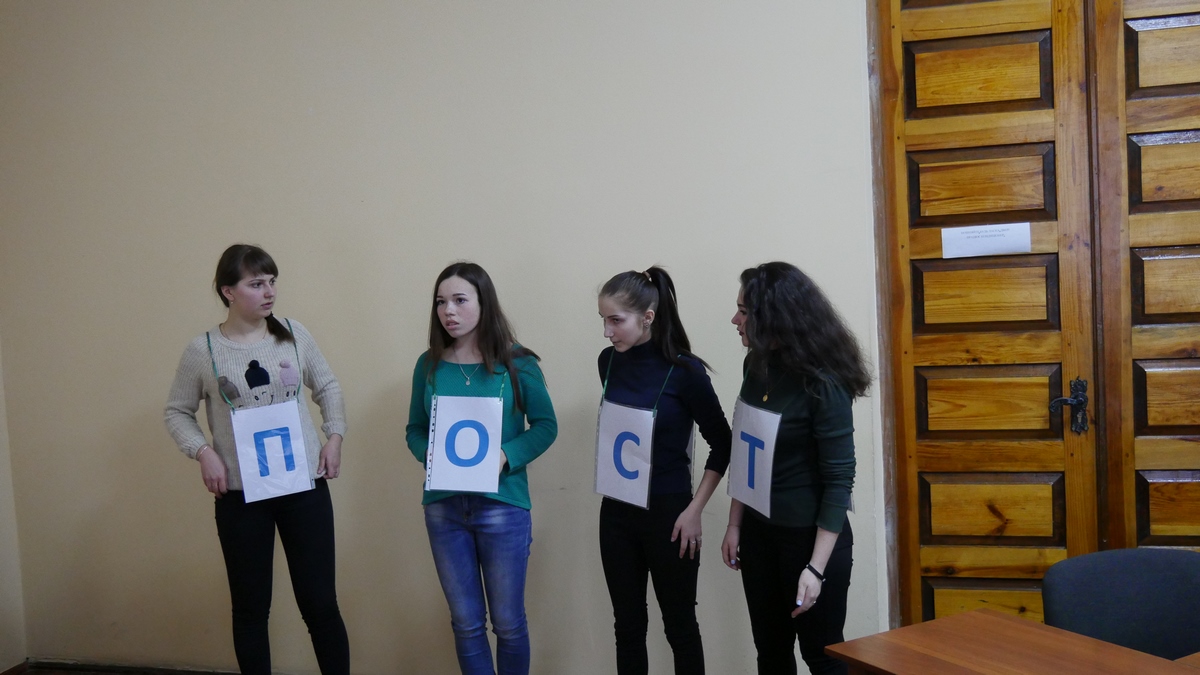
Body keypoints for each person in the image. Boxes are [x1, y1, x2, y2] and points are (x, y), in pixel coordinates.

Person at [164, 244, 350, 674]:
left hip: (304, 488)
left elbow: (328, 387)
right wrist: (203, 452)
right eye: (256, 284)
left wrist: (334, 436)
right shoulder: (203, 351)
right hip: (241, 498)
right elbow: (176, 411)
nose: (269, 292)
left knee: (321, 604)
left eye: (272, 282)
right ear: (228, 291)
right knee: (250, 610)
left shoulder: (294, 334)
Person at [406, 261, 558, 675]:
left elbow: (546, 426)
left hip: (502, 506)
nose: (448, 311)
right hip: (444, 508)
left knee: (508, 623)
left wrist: (506, 454)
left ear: (484, 303)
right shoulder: (428, 365)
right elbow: (415, 429)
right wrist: (428, 454)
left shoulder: (518, 364)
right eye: (441, 302)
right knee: (466, 623)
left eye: (460, 300)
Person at [719, 262, 870, 675]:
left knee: (822, 657)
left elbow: (839, 481)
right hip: (758, 534)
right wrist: (735, 524)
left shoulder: (824, 383)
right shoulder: (756, 365)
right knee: (770, 653)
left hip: (808, 541)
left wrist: (815, 568)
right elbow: (746, 448)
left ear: (775, 317)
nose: (735, 320)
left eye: (743, 312)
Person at [595, 267, 733, 674]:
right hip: (617, 512)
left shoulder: (686, 371)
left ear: (648, 317)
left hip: (671, 515)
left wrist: (694, 510)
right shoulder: (607, 362)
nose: (607, 332)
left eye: (616, 320)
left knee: (680, 626)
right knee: (627, 627)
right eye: (603, 320)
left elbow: (723, 444)